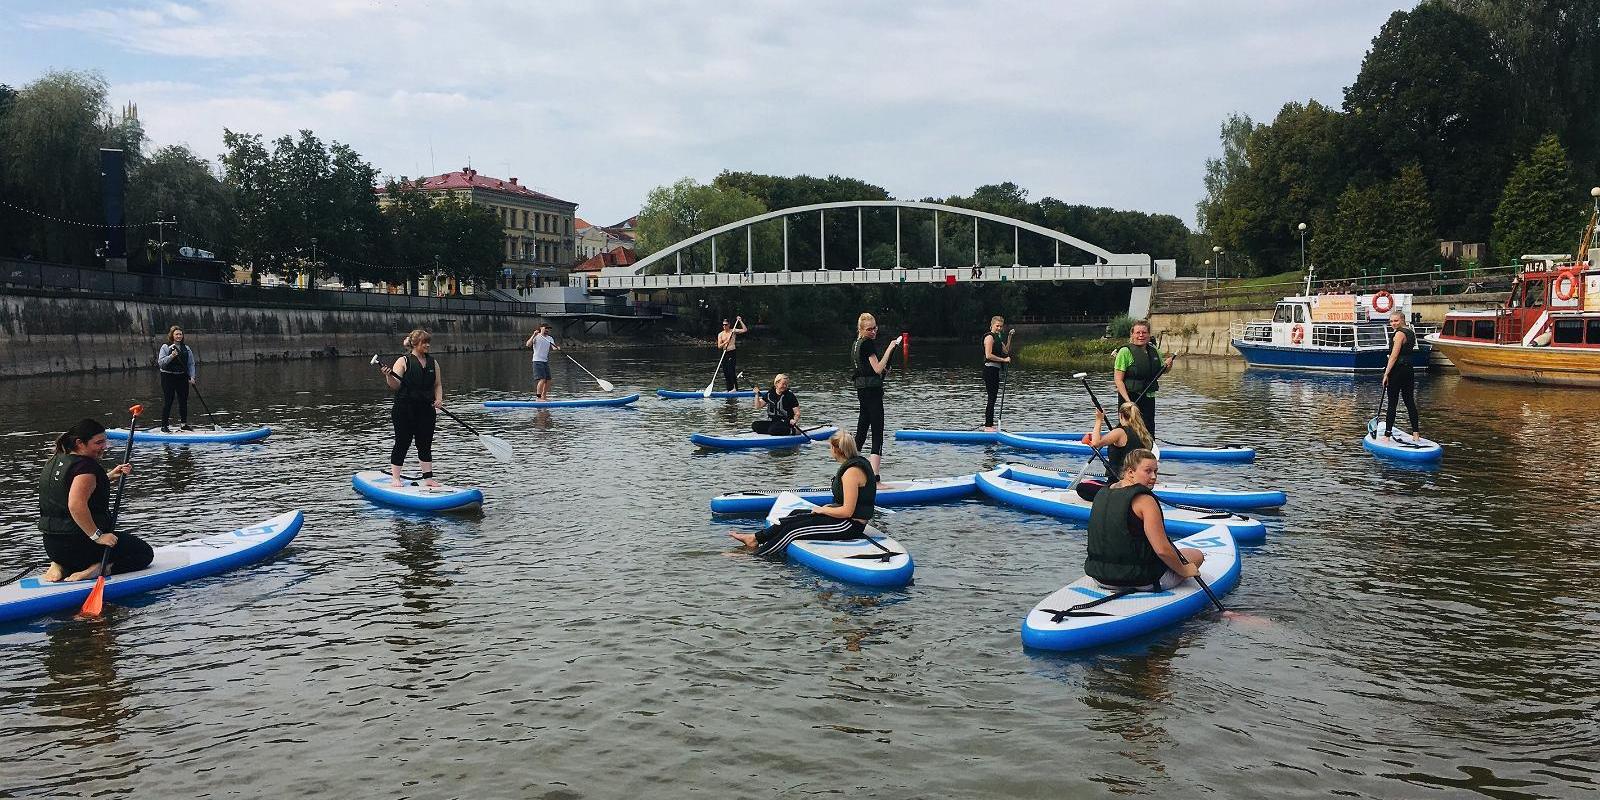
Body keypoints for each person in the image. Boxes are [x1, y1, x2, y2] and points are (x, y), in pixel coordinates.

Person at [37, 419, 154, 582]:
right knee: (144, 553)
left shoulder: (55, 460)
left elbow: (69, 489)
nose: (104, 447)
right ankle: (99, 568)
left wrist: (108, 477)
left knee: (72, 550)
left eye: (105, 441)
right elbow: (75, 505)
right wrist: (98, 536)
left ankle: (59, 566)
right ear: (80, 443)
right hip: (81, 546)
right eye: (98, 443)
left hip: (53, 546)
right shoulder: (86, 468)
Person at [730, 430, 876, 556]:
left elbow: (847, 512)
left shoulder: (852, 472)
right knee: (795, 514)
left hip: (849, 526)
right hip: (844, 520)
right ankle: (755, 538)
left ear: (836, 449)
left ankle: (755, 556)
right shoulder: (853, 465)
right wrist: (827, 509)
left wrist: (823, 509)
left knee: (791, 531)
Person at [1084, 448, 1203, 592]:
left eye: (1156, 471)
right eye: (1148, 471)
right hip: (1142, 580)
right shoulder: (1145, 500)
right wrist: (1184, 570)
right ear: (1130, 472)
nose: (1153, 476)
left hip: (1100, 578)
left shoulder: (1102, 493)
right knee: (1196, 555)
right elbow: (1162, 550)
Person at [381, 329, 444, 488]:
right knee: (402, 442)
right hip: (404, 409)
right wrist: (389, 375)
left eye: (428, 342)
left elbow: (437, 385)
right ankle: (395, 478)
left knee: (425, 443)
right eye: (424, 342)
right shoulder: (403, 361)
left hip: (426, 409)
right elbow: (395, 385)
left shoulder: (433, 362)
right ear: (415, 344)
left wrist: (439, 399)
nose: (428, 345)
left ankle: (428, 478)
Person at [851, 312, 903, 473]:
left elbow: (869, 369)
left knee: (862, 429)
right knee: (877, 431)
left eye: (875, 328)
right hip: (872, 392)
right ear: (861, 329)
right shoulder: (867, 344)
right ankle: (875, 477)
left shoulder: (856, 343)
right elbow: (878, 368)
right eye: (869, 329)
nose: (873, 332)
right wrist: (890, 347)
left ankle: (851, 469)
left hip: (862, 391)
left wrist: (883, 369)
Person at [1113, 320, 1174, 437]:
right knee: (1129, 429)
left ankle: (1148, 450)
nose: (1141, 335)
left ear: (1149, 334)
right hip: (1130, 396)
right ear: (1132, 334)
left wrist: (1168, 366)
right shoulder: (1125, 352)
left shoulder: (1154, 350)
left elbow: (1163, 371)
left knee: (1148, 426)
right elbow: (1118, 379)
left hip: (1149, 396)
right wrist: (1128, 402)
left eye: (1144, 332)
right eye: (1138, 332)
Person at [1086, 401, 1153, 481]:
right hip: (1137, 479)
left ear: (1120, 415)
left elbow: (1095, 443)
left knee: (1083, 487)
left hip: (1117, 481)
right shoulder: (1144, 434)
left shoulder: (1119, 432)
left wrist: (1099, 420)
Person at [1380, 309, 1421, 442]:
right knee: (1409, 402)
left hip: (1397, 371)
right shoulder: (1410, 332)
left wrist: (1386, 373)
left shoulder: (1399, 334)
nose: (1393, 323)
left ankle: (1387, 436)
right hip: (1409, 370)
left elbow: (1394, 355)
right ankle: (1416, 434)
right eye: (1391, 321)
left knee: (1392, 403)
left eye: (1396, 320)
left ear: (1402, 320)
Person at [157, 326, 198, 433]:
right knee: (168, 400)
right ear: (172, 336)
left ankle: (183, 425)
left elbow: (191, 364)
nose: (179, 336)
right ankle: (164, 425)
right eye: (176, 334)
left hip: (182, 376)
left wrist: (192, 377)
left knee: (183, 401)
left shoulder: (187, 348)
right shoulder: (165, 347)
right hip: (168, 377)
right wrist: (171, 356)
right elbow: (161, 363)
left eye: (180, 334)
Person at [981, 316, 1012, 431]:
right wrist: (1004, 360)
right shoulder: (989, 337)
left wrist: (1009, 337)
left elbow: (1006, 351)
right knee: (991, 398)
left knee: (993, 398)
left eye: (1001, 326)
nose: (999, 328)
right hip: (989, 370)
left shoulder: (998, 338)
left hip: (995, 370)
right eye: (997, 326)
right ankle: (987, 426)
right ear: (992, 325)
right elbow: (988, 355)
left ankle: (990, 424)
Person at [524, 323, 559, 401]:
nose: (547, 330)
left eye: (548, 329)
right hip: (537, 361)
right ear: (541, 328)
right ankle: (538, 397)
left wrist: (557, 348)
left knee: (549, 380)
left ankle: (544, 396)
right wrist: (533, 335)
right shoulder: (536, 337)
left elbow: (554, 347)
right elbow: (528, 345)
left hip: (545, 361)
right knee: (542, 379)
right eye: (545, 328)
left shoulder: (550, 338)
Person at [716, 317, 748, 391]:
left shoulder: (733, 331)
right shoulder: (720, 334)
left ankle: (735, 388)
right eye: (723, 325)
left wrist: (740, 321)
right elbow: (719, 346)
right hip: (724, 353)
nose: (724, 326)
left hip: (732, 353)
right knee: (726, 372)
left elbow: (745, 330)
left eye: (726, 325)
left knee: (731, 370)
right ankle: (729, 389)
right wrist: (726, 342)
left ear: (729, 325)